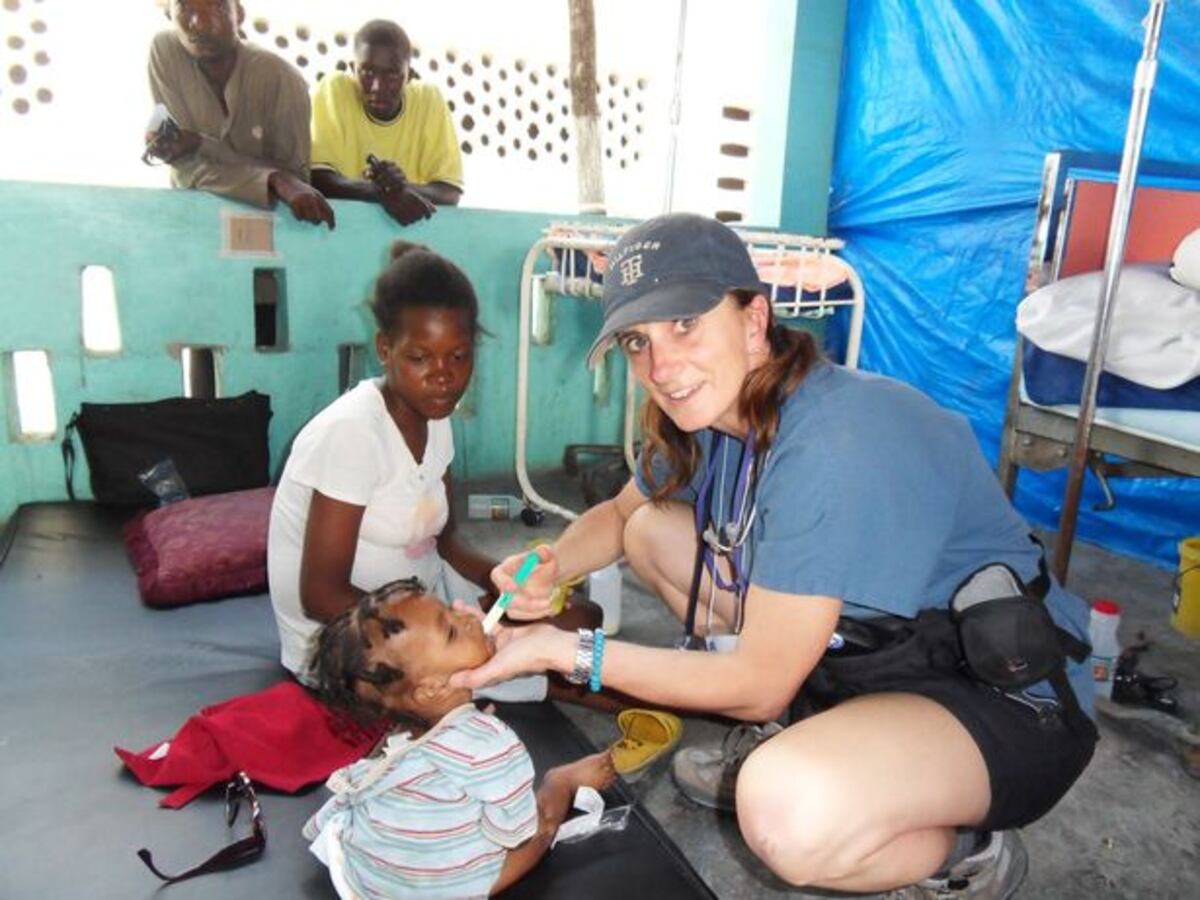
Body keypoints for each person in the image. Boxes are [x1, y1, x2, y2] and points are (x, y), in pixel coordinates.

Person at [451, 213, 1099, 898]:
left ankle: (965, 848)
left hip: (998, 694)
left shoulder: (832, 442)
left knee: (785, 812)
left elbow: (761, 680)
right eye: (638, 342)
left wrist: (564, 650)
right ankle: (816, 737)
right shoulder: (708, 419)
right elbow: (618, 515)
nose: (662, 367)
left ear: (753, 320)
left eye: (685, 326)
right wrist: (551, 562)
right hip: (866, 657)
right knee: (649, 529)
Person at [303, 577, 616, 898]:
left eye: (450, 610)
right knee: (542, 828)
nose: (468, 618)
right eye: (452, 631)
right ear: (433, 689)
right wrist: (549, 786)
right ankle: (564, 780)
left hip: (371, 879)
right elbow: (517, 834)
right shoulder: (490, 745)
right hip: (447, 890)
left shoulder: (403, 728)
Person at [147, 0, 335, 229]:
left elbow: (297, 181)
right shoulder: (167, 52)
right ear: (169, 15)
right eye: (185, 7)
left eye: (217, 6)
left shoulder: (281, 78)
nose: (200, 23)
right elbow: (185, 166)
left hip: (271, 227)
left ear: (240, 14)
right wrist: (272, 179)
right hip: (193, 222)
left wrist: (199, 144)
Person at [309, 19, 463, 227]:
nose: (377, 87)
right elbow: (318, 180)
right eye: (367, 72)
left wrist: (394, 189)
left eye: (392, 75)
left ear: (410, 76)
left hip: (411, 237)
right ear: (352, 69)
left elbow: (449, 192)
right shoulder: (333, 90)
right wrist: (386, 192)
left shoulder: (429, 99)